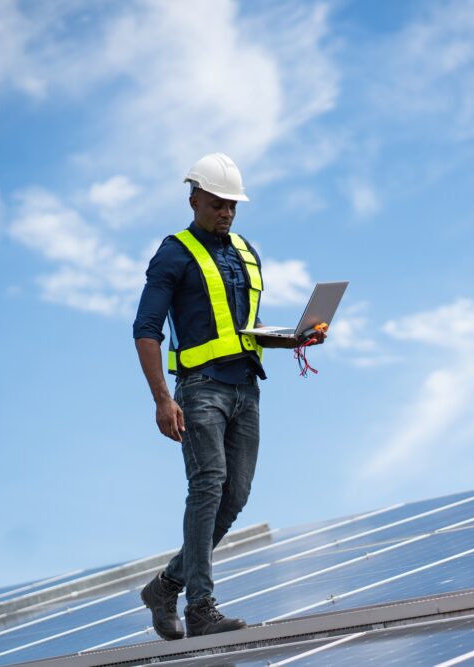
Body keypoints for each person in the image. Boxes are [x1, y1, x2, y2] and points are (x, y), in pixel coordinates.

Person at [132, 153, 324, 640]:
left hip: (246, 389)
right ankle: (200, 609)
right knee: (208, 486)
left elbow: (247, 330)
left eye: (233, 205)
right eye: (218, 203)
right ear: (194, 198)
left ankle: (166, 586)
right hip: (199, 392)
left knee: (234, 496)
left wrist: (296, 338)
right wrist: (161, 398)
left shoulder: (245, 251)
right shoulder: (173, 253)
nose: (227, 212)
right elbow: (146, 329)